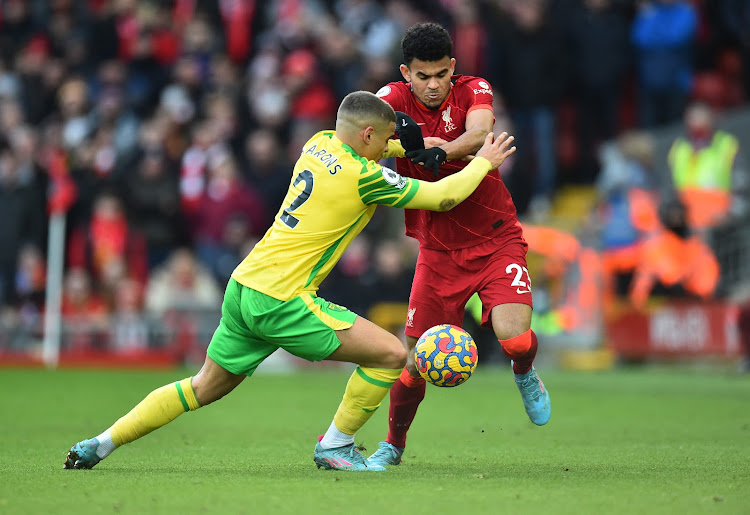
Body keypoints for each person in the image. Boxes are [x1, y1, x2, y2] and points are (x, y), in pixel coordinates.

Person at [63, 90, 516, 472]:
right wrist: (484, 161)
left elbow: (382, 147)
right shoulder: (365, 177)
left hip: (244, 287)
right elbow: (444, 196)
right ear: (365, 136)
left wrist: (412, 145)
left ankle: (101, 443)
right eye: (383, 139)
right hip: (283, 299)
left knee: (201, 386)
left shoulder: (317, 142)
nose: (388, 145)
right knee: (391, 355)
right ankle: (335, 446)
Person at [368, 22, 550, 468]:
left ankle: (524, 373)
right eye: (421, 76)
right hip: (438, 250)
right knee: (413, 364)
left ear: (452, 67)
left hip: (495, 238)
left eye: (440, 75)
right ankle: (393, 445)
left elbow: (479, 134)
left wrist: (438, 151)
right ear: (404, 73)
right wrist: (397, 142)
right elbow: (358, 133)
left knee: (515, 340)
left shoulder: (474, 89)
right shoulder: (389, 100)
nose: (432, 86)